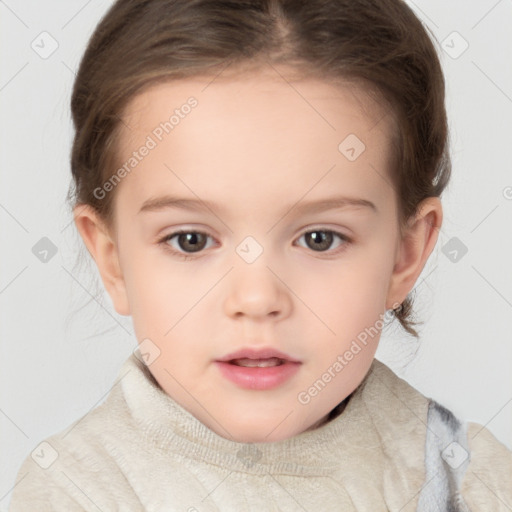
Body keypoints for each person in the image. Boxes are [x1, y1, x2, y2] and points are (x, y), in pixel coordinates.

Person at [9, 0, 512, 510]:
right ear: (112, 260)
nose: (256, 299)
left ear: (405, 254)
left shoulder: (468, 483)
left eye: (320, 238)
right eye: (191, 240)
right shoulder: (72, 494)